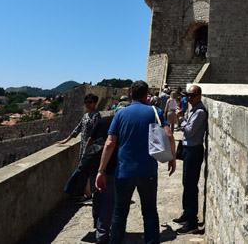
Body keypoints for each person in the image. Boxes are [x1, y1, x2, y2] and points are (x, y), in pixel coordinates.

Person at [95, 80, 176, 244]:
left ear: (131, 94)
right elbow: (169, 135)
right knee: (150, 211)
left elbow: (110, 143)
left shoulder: (120, 114)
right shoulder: (155, 111)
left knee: (120, 212)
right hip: (148, 171)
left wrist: (101, 170)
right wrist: (172, 159)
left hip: (124, 171)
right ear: (146, 95)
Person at [174, 85, 207, 235]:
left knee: (190, 186)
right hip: (189, 150)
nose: (189, 98)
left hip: (194, 151)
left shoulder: (200, 112)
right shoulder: (193, 109)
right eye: (187, 95)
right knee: (186, 183)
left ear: (199, 96)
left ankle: (192, 222)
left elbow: (189, 131)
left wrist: (181, 118)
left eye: (192, 95)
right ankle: (187, 214)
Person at [57, 94, 101, 200]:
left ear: (95, 103)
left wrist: (88, 147)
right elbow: (77, 129)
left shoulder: (96, 116)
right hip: (83, 148)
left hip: (90, 149)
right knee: (84, 171)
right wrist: (65, 140)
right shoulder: (85, 116)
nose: (87, 104)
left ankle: (83, 194)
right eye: (86, 102)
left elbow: (95, 133)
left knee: (85, 171)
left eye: (90, 102)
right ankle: (88, 195)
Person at [84, 114, 116, 244]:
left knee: (97, 196)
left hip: (96, 162)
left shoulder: (102, 121)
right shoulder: (122, 122)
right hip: (111, 165)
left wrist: (85, 158)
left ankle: (96, 222)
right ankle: (102, 235)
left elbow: (90, 140)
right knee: (109, 201)